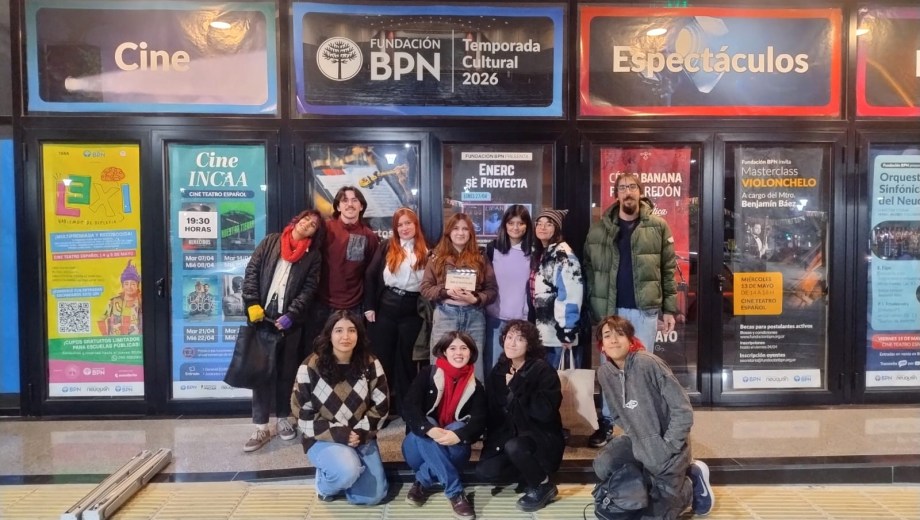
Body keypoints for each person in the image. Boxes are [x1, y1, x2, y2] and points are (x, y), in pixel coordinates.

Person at [584, 172, 678, 448]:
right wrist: (594, 306)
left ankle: (642, 424)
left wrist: (669, 309)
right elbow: (589, 269)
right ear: (616, 194)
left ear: (640, 192)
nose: (628, 192)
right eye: (622, 187)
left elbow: (668, 270)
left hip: (644, 311)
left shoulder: (658, 226)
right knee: (610, 369)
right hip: (611, 312)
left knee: (641, 368)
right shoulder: (599, 230)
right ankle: (607, 422)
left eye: (632, 187)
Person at [593, 315, 714, 518]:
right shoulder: (605, 373)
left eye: (619, 334)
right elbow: (616, 413)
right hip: (639, 442)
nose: (613, 340)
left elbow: (682, 410)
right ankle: (648, 478)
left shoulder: (648, 363)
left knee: (656, 516)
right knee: (603, 464)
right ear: (601, 345)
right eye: (607, 335)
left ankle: (691, 484)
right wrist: (638, 436)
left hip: (668, 447)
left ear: (630, 339)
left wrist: (668, 446)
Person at [240, 210, 323, 452]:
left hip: (289, 323)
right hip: (261, 317)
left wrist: (292, 315)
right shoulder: (271, 242)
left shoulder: (313, 256)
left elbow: (309, 289)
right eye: (306, 219)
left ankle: (283, 419)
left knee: (287, 372)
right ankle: (260, 427)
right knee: (260, 373)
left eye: (313, 225)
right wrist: (251, 302)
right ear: (296, 220)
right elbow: (252, 271)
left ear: (315, 233)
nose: (308, 224)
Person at [291, 310, 390, 505]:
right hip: (322, 438)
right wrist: (338, 433)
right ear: (329, 334)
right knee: (346, 472)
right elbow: (301, 412)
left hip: (360, 436)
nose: (346, 336)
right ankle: (325, 484)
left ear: (359, 334)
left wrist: (360, 432)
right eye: (339, 331)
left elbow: (381, 405)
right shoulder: (310, 366)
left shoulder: (370, 363)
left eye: (352, 330)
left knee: (372, 497)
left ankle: (345, 474)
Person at [475, 320, 564, 513]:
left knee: (515, 447)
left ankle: (543, 484)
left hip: (540, 438)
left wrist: (517, 386)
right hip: (508, 438)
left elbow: (545, 413)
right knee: (485, 472)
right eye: (509, 337)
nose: (512, 343)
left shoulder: (542, 370)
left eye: (520, 339)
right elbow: (493, 413)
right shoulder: (499, 370)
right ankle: (528, 473)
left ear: (529, 344)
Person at [401, 331, 486, 520]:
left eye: (464, 348)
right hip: (416, 449)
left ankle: (422, 481)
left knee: (457, 427)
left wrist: (459, 435)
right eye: (452, 348)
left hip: (454, 449)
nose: (458, 353)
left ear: (471, 353)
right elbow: (409, 407)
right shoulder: (427, 374)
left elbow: (479, 421)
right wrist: (428, 429)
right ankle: (455, 492)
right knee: (429, 423)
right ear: (444, 352)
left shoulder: (476, 386)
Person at [364, 208, 429, 415]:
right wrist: (369, 306)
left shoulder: (428, 249)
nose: (404, 228)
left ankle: (405, 408)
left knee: (407, 361)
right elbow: (370, 275)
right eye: (400, 225)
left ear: (416, 225)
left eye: (408, 223)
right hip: (387, 306)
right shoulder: (386, 246)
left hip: (413, 309)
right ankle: (382, 407)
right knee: (382, 358)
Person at [421, 213, 498, 380]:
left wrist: (476, 299)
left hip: (474, 316)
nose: (460, 233)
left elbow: (492, 290)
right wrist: (445, 292)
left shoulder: (480, 256)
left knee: (475, 368)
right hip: (445, 315)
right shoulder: (436, 256)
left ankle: (474, 398)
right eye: (456, 228)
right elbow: (425, 288)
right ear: (449, 232)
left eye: (465, 229)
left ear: (471, 233)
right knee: (440, 367)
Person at [307, 186, 379, 355]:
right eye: (345, 200)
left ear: (361, 206)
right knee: (320, 352)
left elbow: (371, 273)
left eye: (354, 200)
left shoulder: (369, 236)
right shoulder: (325, 229)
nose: (350, 204)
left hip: (354, 306)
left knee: (351, 353)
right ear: (338, 206)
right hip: (322, 304)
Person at [530, 208, 584, 369]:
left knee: (559, 381)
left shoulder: (563, 254)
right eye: (539, 223)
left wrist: (567, 330)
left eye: (549, 224)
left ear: (557, 229)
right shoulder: (545, 253)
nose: (542, 227)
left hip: (559, 336)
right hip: (547, 334)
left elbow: (571, 292)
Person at [483, 204, 535, 368]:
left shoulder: (534, 252)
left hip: (523, 320)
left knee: (520, 369)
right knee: (494, 366)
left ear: (527, 226)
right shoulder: (492, 249)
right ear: (504, 224)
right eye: (511, 223)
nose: (515, 228)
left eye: (521, 223)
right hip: (495, 318)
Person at [98, 260, 142, 335]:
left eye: (133, 284)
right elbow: (100, 320)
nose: (129, 287)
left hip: (136, 341)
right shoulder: (113, 302)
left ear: (137, 286)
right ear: (122, 286)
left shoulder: (141, 302)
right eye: (126, 284)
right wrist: (105, 336)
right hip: (116, 341)